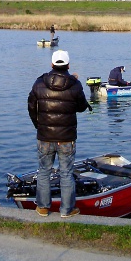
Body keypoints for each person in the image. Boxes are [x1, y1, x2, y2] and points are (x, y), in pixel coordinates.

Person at [27, 50, 90, 218]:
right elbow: (82, 107)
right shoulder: (75, 85)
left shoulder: (39, 83)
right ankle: (66, 210)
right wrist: (75, 84)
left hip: (44, 136)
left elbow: (31, 106)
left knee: (44, 171)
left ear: (52, 65)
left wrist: (38, 126)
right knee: (66, 173)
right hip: (67, 138)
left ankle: (42, 208)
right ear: (68, 65)